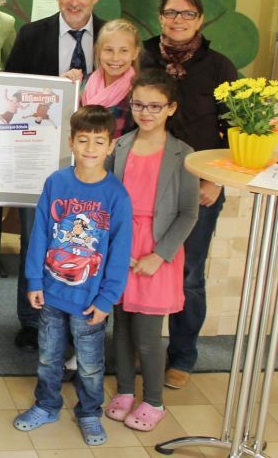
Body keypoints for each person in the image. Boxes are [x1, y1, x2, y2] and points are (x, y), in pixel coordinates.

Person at [12, 105, 132, 446]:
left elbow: (120, 252)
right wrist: (35, 281)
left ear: (111, 146)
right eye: (83, 140)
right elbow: (39, 235)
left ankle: (89, 412)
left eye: (99, 141)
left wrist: (107, 299)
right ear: (71, 142)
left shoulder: (116, 195)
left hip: (90, 300)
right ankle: (47, 405)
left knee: (90, 364)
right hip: (51, 293)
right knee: (48, 357)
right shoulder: (57, 182)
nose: (90, 148)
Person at [5, 0, 106, 353]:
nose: (74, 1)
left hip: (94, 161)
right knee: (36, 238)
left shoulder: (110, 37)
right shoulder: (32, 35)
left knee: (86, 241)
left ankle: (81, 319)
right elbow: (11, 92)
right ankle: (31, 321)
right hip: (40, 159)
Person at [138, 0, 237, 389]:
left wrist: (215, 179)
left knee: (188, 273)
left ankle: (182, 355)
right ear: (160, 16)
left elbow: (236, 129)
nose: (178, 20)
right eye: (171, 12)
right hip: (145, 181)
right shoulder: (143, 56)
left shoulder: (218, 66)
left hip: (199, 185)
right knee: (140, 263)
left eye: (188, 13)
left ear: (200, 19)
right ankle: (140, 346)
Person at [106, 70, 199, 432]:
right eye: (139, 105)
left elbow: (188, 213)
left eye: (155, 106)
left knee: (147, 333)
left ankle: (154, 400)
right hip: (122, 246)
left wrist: (158, 255)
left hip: (157, 253)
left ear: (171, 108)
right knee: (122, 326)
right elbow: (107, 199)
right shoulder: (119, 146)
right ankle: (125, 390)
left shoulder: (183, 154)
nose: (146, 112)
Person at [81, 19, 141, 138]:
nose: (115, 58)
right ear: (98, 51)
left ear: (135, 53)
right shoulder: (82, 83)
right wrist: (65, 85)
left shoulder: (139, 92)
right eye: (109, 50)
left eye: (124, 51)